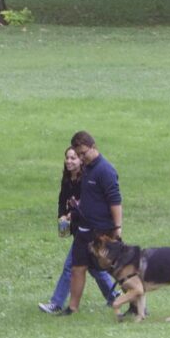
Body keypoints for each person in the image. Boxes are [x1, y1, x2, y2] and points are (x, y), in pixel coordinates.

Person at [40, 131, 123, 314]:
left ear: (94, 147)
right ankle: (72, 308)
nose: (81, 158)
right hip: (84, 229)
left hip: (102, 229)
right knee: (78, 267)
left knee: (116, 268)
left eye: (83, 153)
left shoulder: (105, 170)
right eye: (78, 155)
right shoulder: (87, 170)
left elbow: (115, 201)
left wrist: (117, 228)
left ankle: (137, 303)